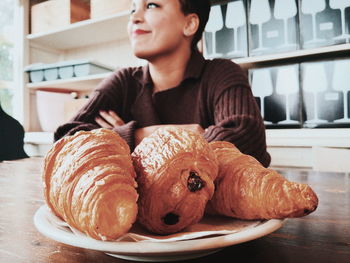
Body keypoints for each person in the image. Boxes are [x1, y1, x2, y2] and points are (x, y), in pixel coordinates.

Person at [54, 0, 271, 167]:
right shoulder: (123, 81)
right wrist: (139, 135)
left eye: (151, 5)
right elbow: (64, 143)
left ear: (189, 24)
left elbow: (249, 144)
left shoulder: (221, 73)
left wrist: (116, 139)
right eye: (132, 9)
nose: (134, 18)